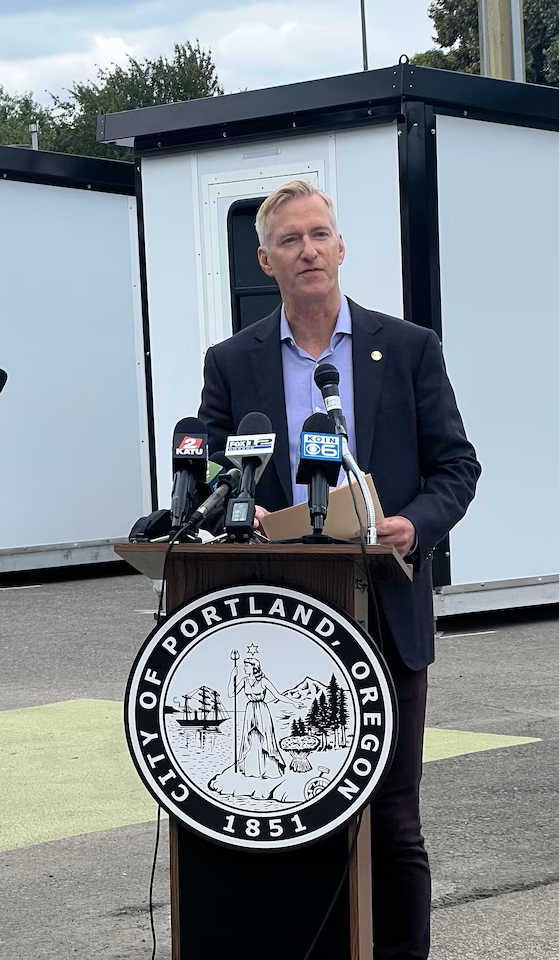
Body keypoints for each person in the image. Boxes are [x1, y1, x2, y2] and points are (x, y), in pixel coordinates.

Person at [197, 180, 481, 960]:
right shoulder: (232, 363)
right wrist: (238, 508)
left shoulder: (409, 347)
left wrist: (411, 525)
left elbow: (456, 468)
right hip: (283, 620)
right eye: (290, 241)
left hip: (387, 614)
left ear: (342, 247)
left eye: (320, 234)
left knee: (392, 820)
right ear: (266, 260)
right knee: (300, 814)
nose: (309, 250)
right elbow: (221, 475)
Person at [230, 650, 287, 779]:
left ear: (253, 667)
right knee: (250, 737)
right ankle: (252, 769)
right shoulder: (244, 680)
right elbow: (231, 694)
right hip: (250, 709)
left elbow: (278, 695)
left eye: (246, 666)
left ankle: (269, 769)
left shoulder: (263, 681)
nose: (244, 668)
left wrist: (293, 702)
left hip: (262, 710)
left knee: (265, 737)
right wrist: (232, 677)